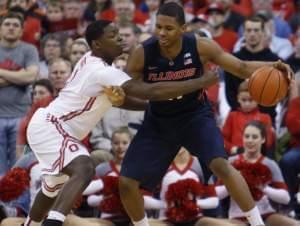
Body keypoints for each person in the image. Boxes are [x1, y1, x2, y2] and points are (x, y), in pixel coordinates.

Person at [23, 19, 220, 226]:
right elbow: (149, 91)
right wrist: (200, 82)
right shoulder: (102, 71)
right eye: (112, 35)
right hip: (52, 126)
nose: (119, 38)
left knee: (52, 186)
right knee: (85, 167)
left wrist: (153, 106)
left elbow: (125, 100)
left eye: (119, 33)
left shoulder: (91, 60)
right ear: (97, 44)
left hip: (51, 127)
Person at [118, 2, 293, 226]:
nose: (162, 33)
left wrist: (273, 66)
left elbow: (239, 67)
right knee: (126, 182)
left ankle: (257, 223)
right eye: (158, 27)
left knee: (221, 164)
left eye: (168, 28)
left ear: (183, 29)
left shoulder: (201, 46)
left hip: (195, 115)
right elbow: (126, 88)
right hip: (159, 120)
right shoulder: (142, 53)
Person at [216, 120, 299, 226]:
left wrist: (262, 187)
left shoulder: (270, 164)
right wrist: (234, 185)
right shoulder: (231, 162)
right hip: (238, 217)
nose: (250, 140)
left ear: (263, 139)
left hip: (266, 215)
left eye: (254, 137)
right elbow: (216, 194)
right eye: (247, 136)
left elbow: (286, 198)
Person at [222, 81, 274, 156]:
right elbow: (222, 139)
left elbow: (268, 142)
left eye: (251, 100)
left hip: (258, 157)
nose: (247, 104)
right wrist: (232, 148)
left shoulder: (265, 118)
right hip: (235, 155)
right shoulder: (232, 116)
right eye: (243, 100)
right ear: (238, 99)